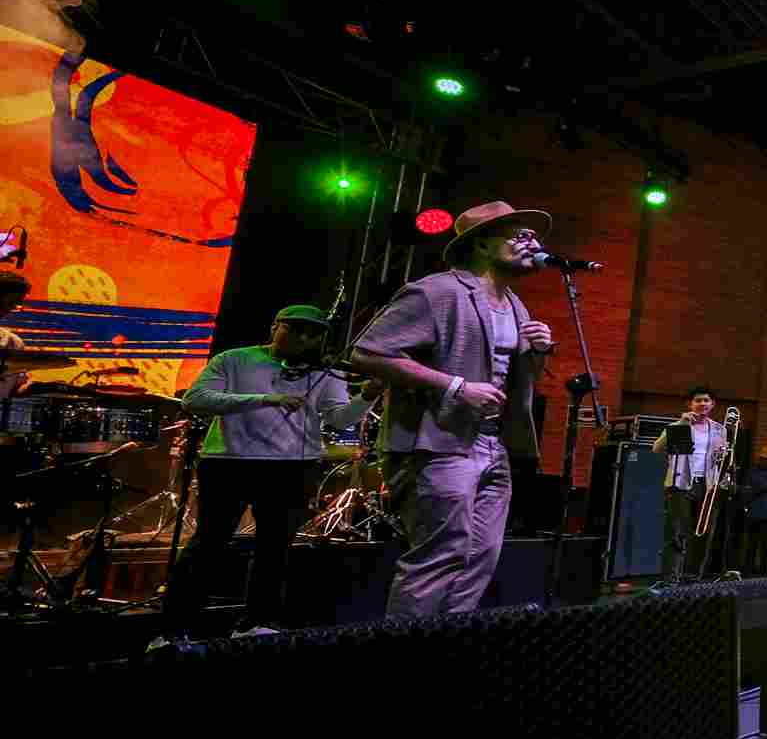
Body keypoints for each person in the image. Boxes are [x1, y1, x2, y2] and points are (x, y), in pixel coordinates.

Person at [350, 201, 555, 617]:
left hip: (492, 446)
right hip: (438, 443)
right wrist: (456, 386)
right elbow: (368, 352)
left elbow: (510, 381)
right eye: (519, 235)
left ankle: (445, 650)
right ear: (481, 244)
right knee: (439, 558)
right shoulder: (436, 291)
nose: (532, 242)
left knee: (480, 558)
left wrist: (536, 354)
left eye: (533, 236)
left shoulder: (516, 306)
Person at [169, 303, 360, 630]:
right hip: (229, 463)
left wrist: (366, 398)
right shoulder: (234, 359)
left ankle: (259, 623)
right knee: (209, 544)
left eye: (313, 334)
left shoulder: (325, 373)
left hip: (292, 468)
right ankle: (173, 627)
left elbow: (340, 419)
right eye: (295, 329)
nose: (304, 338)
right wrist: (265, 399)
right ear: (275, 327)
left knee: (275, 550)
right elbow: (195, 400)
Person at [656, 387, 729, 578]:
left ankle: (693, 575)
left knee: (703, 531)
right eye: (698, 400)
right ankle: (671, 576)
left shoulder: (720, 430)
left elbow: (722, 459)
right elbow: (657, 448)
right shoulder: (678, 426)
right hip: (680, 484)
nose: (702, 404)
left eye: (706, 400)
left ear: (712, 404)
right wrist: (682, 422)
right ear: (690, 404)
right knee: (677, 532)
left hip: (707, 485)